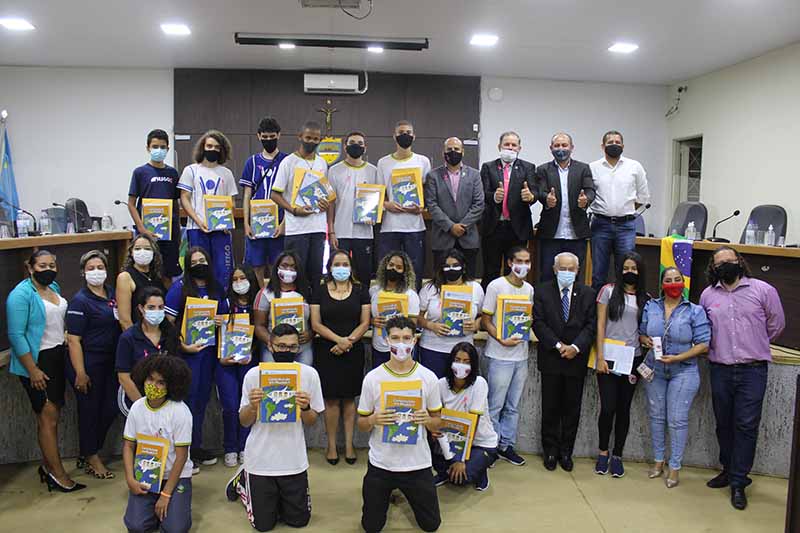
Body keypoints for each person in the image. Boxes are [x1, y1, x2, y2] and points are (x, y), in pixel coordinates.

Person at [700, 247, 785, 509]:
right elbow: (704, 328)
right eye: (719, 263)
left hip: (753, 370)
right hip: (720, 369)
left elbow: (776, 324)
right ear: (713, 268)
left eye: (730, 260)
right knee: (723, 423)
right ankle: (728, 469)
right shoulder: (707, 295)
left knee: (746, 425)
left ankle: (739, 481)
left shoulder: (763, 290)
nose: (725, 265)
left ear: (739, 262)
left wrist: (755, 343)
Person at [225, 324, 325, 532]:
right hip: (260, 460)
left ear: (299, 348)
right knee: (263, 525)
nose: (286, 351)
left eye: (292, 347)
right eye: (281, 346)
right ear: (270, 346)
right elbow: (244, 421)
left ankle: (274, 497)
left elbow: (311, 421)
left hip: (293, 460)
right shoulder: (254, 375)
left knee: (299, 521)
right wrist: (253, 406)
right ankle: (242, 481)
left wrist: (305, 408)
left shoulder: (309, 374)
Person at [7, 250, 85, 492]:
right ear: (30, 268)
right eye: (42, 265)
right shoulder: (20, 295)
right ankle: (58, 475)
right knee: (47, 419)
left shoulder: (54, 287)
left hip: (57, 356)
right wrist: (33, 370)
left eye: (52, 265)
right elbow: (16, 335)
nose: (48, 269)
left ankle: (48, 466)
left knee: (52, 416)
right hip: (38, 362)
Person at [357, 316, 443, 533]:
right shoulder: (373, 378)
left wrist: (428, 421)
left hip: (417, 463)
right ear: (386, 340)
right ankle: (387, 494)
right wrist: (373, 420)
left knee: (431, 526)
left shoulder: (428, 377)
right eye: (395, 338)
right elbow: (362, 424)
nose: (401, 343)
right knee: (371, 527)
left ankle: (403, 493)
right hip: (382, 464)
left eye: (406, 338)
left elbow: (438, 423)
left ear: (415, 340)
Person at [640, 266, 710, 488]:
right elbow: (642, 332)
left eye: (677, 279)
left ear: (684, 283)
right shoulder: (651, 306)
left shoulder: (695, 311)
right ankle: (658, 461)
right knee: (656, 416)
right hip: (655, 369)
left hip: (684, 370)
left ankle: (675, 467)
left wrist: (679, 357)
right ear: (662, 285)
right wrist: (644, 340)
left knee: (677, 420)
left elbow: (703, 344)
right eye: (668, 280)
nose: (673, 284)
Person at [532, 252, 597, 472]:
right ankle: (550, 451)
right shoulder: (542, 291)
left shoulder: (588, 294)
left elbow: (591, 326)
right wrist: (559, 346)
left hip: (576, 360)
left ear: (578, 271)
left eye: (571, 269)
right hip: (551, 357)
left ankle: (566, 451)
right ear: (554, 269)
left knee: (572, 409)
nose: (566, 272)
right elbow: (538, 323)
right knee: (550, 407)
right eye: (562, 268)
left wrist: (575, 347)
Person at [165, 246, 225, 470]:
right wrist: (182, 346)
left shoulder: (216, 287)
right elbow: (167, 324)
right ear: (188, 266)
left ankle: (195, 447)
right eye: (194, 262)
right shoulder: (178, 288)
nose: (199, 265)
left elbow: (226, 315)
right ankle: (182, 452)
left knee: (201, 402)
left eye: (203, 260)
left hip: (209, 353)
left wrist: (221, 320)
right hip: (187, 355)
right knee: (187, 403)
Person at [311, 249, 371, 465]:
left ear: (351, 267)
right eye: (337, 264)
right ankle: (331, 446)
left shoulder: (361, 290)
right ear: (330, 267)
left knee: (349, 399)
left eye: (345, 264)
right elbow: (316, 324)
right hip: (326, 350)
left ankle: (349, 445)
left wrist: (348, 342)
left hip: (353, 350)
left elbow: (365, 322)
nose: (341, 268)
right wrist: (339, 341)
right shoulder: (319, 290)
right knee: (331, 400)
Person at [65, 250, 121, 479]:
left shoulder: (112, 293)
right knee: (90, 411)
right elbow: (73, 340)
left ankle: (89, 450)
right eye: (91, 268)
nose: (96, 272)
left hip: (111, 361)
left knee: (111, 408)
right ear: (83, 272)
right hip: (88, 362)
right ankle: (92, 457)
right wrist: (80, 372)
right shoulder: (80, 301)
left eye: (100, 267)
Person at [593, 251, 649, 477]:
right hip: (608, 357)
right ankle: (603, 452)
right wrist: (600, 356)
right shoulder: (607, 291)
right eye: (626, 268)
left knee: (624, 409)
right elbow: (600, 325)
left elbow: (644, 329)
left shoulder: (646, 298)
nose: (629, 272)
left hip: (633, 359)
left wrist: (644, 339)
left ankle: (617, 455)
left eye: (634, 268)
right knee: (608, 408)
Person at [123, 355, 193, 533]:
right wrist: (130, 479)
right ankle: (153, 510)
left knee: (175, 529)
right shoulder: (137, 407)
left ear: (171, 386)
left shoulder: (180, 411)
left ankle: (176, 507)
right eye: (150, 378)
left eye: (160, 382)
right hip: (146, 475)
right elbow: (128, 446)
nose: (153, 385)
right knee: (136, 526)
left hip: (176, 477)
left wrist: (166, 494)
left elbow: (181, 456)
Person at [480, 245, 534, 466]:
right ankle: (490, 447)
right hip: (498, 355)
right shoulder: (496, 286)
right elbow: (485, 320)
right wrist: (500, 338)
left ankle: (506, 445)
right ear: (510, 263)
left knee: (513, 406)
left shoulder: (529, 289)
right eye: (519, 261)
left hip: (521, 356)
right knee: (494, 405)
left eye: (527, 261)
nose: (523, 266)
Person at [270, 121, 330, 291]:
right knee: (295, 275)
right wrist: (294, 210)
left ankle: (314, 306)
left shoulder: (322, 163)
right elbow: (274, 194)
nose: (312, 141)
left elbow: (325, 192)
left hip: (318, 228)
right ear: (300, 137)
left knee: (316, 274)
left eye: (316, 139)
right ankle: (296, 304)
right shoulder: (288, 162)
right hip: (296, 230)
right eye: (308, 137)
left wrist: (325, 203)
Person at [588, 130, 650, 290]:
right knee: (598, 273)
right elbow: (588, 194)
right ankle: (597, 306)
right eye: (610, 142)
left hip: (626, 226)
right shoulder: (593, 167)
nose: (614, 145)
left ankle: (621, 305)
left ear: (623, 146)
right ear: (602, 146)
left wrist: (624, 210)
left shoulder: (634, 166)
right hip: (600, 224)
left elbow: (643, 196)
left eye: (617, 142)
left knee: (626, 271)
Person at [432, 342, 497, 490]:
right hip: (451, 441)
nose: (461, 365)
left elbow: (473, 424)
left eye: (466, 362)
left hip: (479, 443)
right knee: (433, 458)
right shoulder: (441, 384)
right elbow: (436, 417)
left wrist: (461, 459)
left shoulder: (479, 384)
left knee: (462, 477)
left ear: (473, 365)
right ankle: (445, 472)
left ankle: (480, 471)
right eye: (457, 360)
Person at [178, 129, 238, 290]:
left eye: (217, 147)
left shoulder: (226, 173)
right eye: (209, 146)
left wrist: (227, 221)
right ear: (202, 147)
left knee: (223, 270)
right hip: (197, 229)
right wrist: (198, 221)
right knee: (199, 269)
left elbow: (231, 202)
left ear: (222, 150)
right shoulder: (191, 170)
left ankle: (222, 301)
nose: (213, 149)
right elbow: (184, 198)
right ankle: (201, 300)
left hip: (220, 230)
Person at [377, 120, 432, 291]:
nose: (405, 135)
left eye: (408, 132)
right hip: (390, 226)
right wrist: (387, 205)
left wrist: (421, 207)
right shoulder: (383, 162)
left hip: (415, 226)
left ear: (414, 136)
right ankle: (387, 300)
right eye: (401, 133)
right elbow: (377, 194)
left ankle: (413, 300)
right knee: (388, 270)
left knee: (415, 270)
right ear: (394, 136)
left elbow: (428, 191)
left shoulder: (423, 161)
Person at [216, 264, 261, 467]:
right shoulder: (225, 303)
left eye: (243, 278)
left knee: (248, 405)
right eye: (235, 279)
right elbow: (214, 335)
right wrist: (221, 356)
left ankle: (245, 446)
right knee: (230, 406)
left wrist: (251, 353)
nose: (239, 283)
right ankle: (230, 447)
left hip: (248, 362)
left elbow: (261, 332)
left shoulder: (257, 304)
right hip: (225, 363)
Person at [535, 132, 595, 281]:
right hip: (551, 234)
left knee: (575, 277)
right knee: (547, 275)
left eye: (564, 145)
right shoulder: (543, 169)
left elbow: (590, 190)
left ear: (571, 147)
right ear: (551, 148)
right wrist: (546, 199)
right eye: (557, 145)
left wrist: (586, 200)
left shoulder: (583, 168)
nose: (560, 148)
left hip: (576, 234)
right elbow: (540, 191)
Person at [480, 131, 536, 289]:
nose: (510, 148)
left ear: (519, 148)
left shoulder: (528, 168)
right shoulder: (488, 167)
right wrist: (493, 196)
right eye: (506, 144)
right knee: (490, 269)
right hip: (493, 227)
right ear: (499, 146)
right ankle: (489, 302)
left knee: (514, 270)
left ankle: (511, 300)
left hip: (517, 228)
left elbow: (535, 192)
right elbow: (481, 193)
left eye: (514, 145)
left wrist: (530, 196)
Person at [126, 128, 182, 284]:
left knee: (168, 272)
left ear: (168, 149)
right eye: (155, 146)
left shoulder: (172, 173)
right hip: (147, 232)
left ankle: (166, 299)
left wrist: (177, 230)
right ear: (148, 148)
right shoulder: (140, 172)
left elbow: (175, 203)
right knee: (146, 270)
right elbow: (131, 204)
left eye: (162, 147)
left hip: (169, 233)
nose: (159, 150)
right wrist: (142, 229)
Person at [418, 249, 484, 378]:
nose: (451, 269)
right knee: (434, 387)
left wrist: (476, 325)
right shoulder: (430, 288)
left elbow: (484, 317)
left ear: (463, 267)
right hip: (433, 348)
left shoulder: (475, 288)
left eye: (455, 265)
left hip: (463, 350)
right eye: (447, 266)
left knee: (461, 388)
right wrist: (431, 325)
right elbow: (417, 318)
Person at [424, 137, 485, 276]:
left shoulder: (474, 175)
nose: (453, 152)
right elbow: (432, 205)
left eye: (456, 149)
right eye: (449, 149)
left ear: (463, 151)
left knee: (468, 279)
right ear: (443, 152)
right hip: (442, 238)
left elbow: (479, 204)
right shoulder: (433, 176)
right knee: (441, 279)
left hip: (468, 238)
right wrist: (451, 226)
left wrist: (463, 226)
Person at [115, 286, 179, 416]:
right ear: (141, 309)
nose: (157, 311)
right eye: (151, 307)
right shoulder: (128, 338)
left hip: (164, 402)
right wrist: (144, 408)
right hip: (135, 400)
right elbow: (124, 377)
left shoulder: (170, 334)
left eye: (160, 307)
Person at [241, 116, 289, 285]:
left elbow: (291, 196)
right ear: (259, 136)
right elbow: (247, 195)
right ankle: (261, 293)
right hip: (257, 220)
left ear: (279, 135)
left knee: (278, 262)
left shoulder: (287, 161)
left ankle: (277, 293)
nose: (269, 140)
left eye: (272, 136)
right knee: (257, 263)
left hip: (279, 220)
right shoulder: (252, 162)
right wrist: (246, 223)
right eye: (265, 137)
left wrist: (284, 223)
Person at [328, 130, 379, 284]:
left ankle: (363, 299)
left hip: (364, 232)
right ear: (345, 147)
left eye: (360, 143)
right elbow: (331, 203)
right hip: (340, 231)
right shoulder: (334, 170)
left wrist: (375, 215)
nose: (356, 146)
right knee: (337, 273)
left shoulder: (373, 171)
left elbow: (378, 199)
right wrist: (331, 231)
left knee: (364, 274)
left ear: (365, 148)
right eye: (352, 143)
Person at [253, 250, 313, 366]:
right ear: (277, 268)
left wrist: (310, 334)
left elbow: (316, 321)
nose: (288, 270)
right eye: (284, 266)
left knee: (303, 377)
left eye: (293, 267)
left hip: (302, 349)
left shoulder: (308, 292)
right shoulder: (265, 294)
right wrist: (273, 341)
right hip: (273, 350)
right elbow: (259, 326)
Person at [369, 251, 419, 369]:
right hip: (379, 347)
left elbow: (413, 324)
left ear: (405, 272)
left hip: (401, 348)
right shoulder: (374, 291)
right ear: (385, 266)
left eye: (398, 267)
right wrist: (373, 321)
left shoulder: (410, 295)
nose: (393, 269)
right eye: (391, 265)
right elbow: (369, 317)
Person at [116, 233, 166, 330]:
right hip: (137, 333)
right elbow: (124, 320)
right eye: (138, 249)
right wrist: (135, 338)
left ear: (153, 252)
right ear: (131, 252)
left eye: (147, 249)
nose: (142, 252)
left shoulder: (157, 275)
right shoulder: (125, 277)